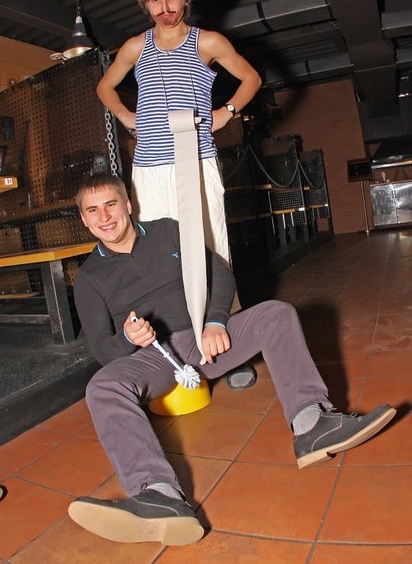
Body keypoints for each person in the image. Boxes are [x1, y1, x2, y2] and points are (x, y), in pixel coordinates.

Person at [68, 174, 396, 546]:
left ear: (128, 205)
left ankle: (311, 424)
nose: (104, 217)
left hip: (202, 340)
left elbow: (219, 275)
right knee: (102, 387)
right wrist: (127, 339)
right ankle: (160, 495)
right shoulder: (88, 278)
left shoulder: (167, 231)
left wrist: (214, 321)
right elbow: (101, 349)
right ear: (83, 219)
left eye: (110, 204)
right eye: (92, 210)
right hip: (151, 358)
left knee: (275, 314)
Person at [96, 0, 262, 390]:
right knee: (158, 254)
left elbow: (251, 78)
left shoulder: (208, 42)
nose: (164, 8)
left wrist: (227, 112)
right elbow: (104, 86)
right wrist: (125, 115)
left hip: (196, 158)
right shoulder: (135, 47)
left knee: (213, 250)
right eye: (155, 1)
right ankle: (174, 347)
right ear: (146, 4)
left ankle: (231, 346)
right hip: (150, 166)